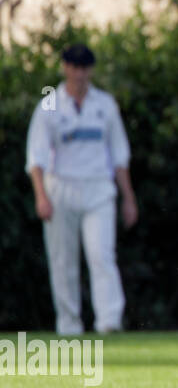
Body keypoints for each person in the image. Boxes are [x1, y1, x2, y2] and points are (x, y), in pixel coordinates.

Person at [25, 43, 137, 335]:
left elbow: (119, 156)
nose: (79, 73)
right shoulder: (49, 105)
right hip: (60, 189)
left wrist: (128, 198)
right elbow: (36, 157)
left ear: (91, 70)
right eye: (73, 67)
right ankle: (69, 327)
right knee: (63, 263)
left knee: (101, 255)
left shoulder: (105, 104)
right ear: (65, 68)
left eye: (84, 67)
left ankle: (109, 323)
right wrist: (41, 196)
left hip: (99, 189)